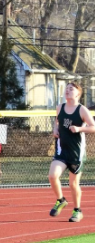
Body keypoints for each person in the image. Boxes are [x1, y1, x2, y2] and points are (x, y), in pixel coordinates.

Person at [48, 82, 95, 222]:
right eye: (66, 88)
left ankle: (77, 211)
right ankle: (61, 200)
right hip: (62, 151)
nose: (67, 91)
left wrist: (80, 129)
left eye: (71, 89)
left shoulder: (82, 110)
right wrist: (55, 130)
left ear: (78, 94)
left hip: (76, 153)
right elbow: (57, 122)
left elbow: (93, 127)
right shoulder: (60, 107)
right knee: (52, 176)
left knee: (73, 184)